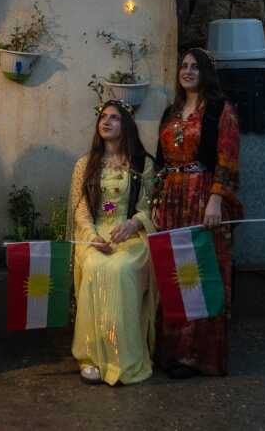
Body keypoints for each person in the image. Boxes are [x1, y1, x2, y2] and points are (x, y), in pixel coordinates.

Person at [153, 47, 243, 379]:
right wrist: (157, 199)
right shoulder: (170, 112)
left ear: (206, 73)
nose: (187, 71)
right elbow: (160, 162)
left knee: (202, 271)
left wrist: (217, 200)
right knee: (176, 271)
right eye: (184, 66)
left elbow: (228, 158)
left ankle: (197, 354)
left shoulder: (221, 110)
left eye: (195, 66)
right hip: (173, 197)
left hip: (203, 196)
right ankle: (173, 351)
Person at [67, 100, 158, 386]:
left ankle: (124, 358)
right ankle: (92, 357)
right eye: (103, 117)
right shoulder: (86, 164)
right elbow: (81, 207)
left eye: (114, 118)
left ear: (126, 125)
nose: (106, 122)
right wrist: (92, 236)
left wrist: (133, 223)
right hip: (95, 235)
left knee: (122, 269)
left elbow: (150, 206)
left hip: (131, 237)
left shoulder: (143, 164)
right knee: (95, 266)